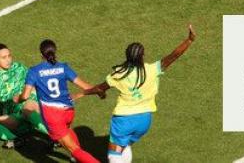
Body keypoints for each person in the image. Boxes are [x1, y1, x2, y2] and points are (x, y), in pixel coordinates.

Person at [82, 25, 196, 163]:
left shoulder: (119, 73)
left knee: (114, 155)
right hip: (144, 121)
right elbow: (173, 56)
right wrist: (189, 40)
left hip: (123, 121)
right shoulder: (152, 69)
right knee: (126, 145)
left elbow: (99, 89)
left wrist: (84, 93)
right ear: (142, 56)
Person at [19, 39, 99, 163]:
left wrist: (17, 98)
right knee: (68, 133)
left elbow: (25, 96)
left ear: (41, 54)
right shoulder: (64, 67)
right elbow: (86, 86)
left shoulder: (34, 71)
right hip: (68, 112)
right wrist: (99, 91)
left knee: (74, 150)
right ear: (55, 52)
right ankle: (77, 159)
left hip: (53, 116)